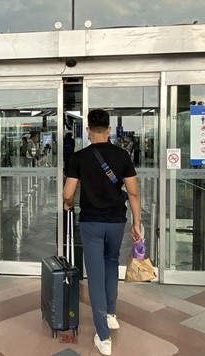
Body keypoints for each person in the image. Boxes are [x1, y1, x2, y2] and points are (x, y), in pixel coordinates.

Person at [63, 109, 141, 356]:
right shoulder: (122, 155)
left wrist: (68, 204)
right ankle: (110, 314)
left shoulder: (78, 157)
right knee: (110, 265)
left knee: (95, 275)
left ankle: (104, 337)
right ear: (109, 130)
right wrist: (136, 223)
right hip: (117, 222)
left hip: (91, 223)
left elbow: (68, 193)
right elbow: (133, 192)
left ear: (87, 130)